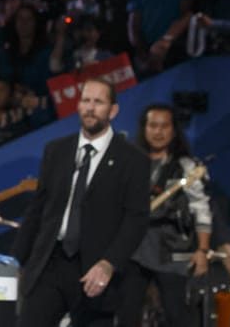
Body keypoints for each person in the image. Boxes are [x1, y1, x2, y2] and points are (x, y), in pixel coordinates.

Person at [11, 79, 148, 327]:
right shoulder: (56, 150)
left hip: (95, 270)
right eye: (85, 100)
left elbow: (136, 219)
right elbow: (38, 209)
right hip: (50, 263)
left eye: (98, 102)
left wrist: (109, 264)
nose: (90, 108)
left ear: (113, 110)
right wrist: (16, 261)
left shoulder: (133, 159)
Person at [119, 103, 213, 326]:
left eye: (164, 126)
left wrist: (202, 250)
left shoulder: (186, 167)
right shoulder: (129, 162)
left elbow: (202, 210)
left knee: (177, 315)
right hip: (133, 250)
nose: (158, 132)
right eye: (153, 125)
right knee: (126, 315)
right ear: (144, 128)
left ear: (173, 130)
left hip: (172, 251)